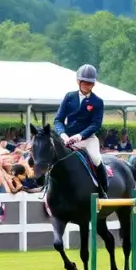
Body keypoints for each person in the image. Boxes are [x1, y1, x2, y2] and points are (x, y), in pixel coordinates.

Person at [54, 64, 109, 199]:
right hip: (68, 138)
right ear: (78, 81)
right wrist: (63, 134)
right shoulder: (69, 97)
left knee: (96, 159)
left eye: (89, 83)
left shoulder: (97, 102)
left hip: (88, 139)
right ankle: (47, 187)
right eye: (84, 82)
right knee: (53, 157)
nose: (86, 85)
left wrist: (80, 136)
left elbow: (96, 124)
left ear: (93, 84)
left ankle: (103, 190)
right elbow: (58, 120)